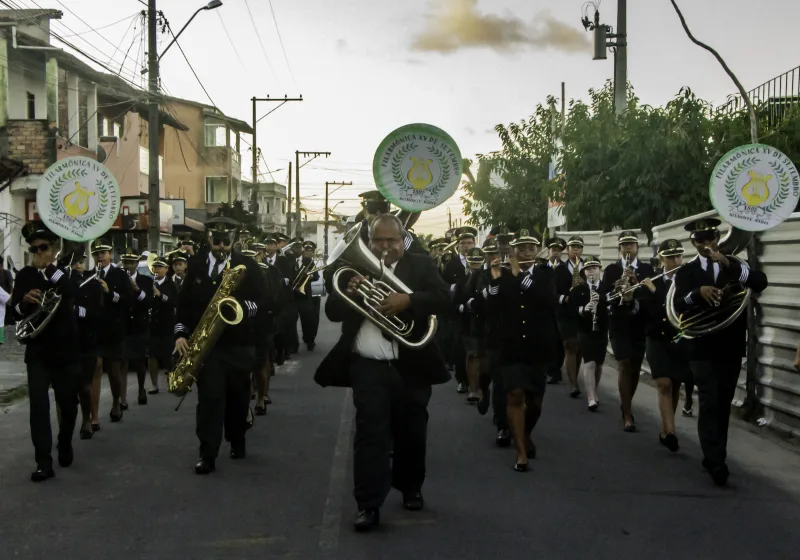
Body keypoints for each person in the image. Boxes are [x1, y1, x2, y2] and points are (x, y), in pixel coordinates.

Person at [315, 213, 450, 532]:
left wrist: (409, 300)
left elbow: (445, 299)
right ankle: (368, 504)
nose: (386, 246)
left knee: (412, 431)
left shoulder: (421, 265)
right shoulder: (354, 268)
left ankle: (410, 486)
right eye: (379, 240)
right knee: (370, 436)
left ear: (403, 240)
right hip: (368, 365)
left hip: (412, 363)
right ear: (369, 241)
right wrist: (351, 292)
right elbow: (333, 313)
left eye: (392, 240)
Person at [673, 218, 768, 486]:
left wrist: (734, 269)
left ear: (717, 238)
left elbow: (761, 282)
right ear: (693, 243)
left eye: (711, 239)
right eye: (701, 241)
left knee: (723, 403)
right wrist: (697, 293)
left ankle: (715, 454)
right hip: (701, 346)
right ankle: (716, 462)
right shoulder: (687, 272)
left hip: (730, 345)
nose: (707, 244)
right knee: (710, 401)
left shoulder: (735, 265)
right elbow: (678, 305)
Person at [174, 217, 267, 474]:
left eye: (227, 241)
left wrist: (242, 309)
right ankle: (207, 453)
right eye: (217, 240)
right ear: (209, 239)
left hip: (239, 343)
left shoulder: (247, 265)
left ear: (234, 240)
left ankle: (237, 438)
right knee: (210, 399)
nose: (222, 246)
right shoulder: (195, 266)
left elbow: (263, 300)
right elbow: (183, 305)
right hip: (208, 347)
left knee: (237, 399)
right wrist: (181, 334)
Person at [9, 221, 80, 482]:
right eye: (34, 249)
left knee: (68, 404)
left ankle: (65, 441)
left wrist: (50, 270)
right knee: (38, 406)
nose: (37, 253)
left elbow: (73, 293)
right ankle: (43, 461)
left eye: (43, 248)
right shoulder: (25, 276)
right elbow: (11, 312)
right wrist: (23, 303)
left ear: (53, 249)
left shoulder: (65, 272)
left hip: (65, 349)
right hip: (38, 351)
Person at [487, 228, 560, 471]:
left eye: (531, 247)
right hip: (511, 344)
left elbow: (549, 301)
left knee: (535, 402)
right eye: (521, 248)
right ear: (514, 251)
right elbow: (492, 302)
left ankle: (525, 433)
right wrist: (496, 277)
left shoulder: (545, 274)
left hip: (538, 346)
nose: (526, 251)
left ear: (537, 250)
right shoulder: (502, 271)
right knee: (515, 394)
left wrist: (521, 276)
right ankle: (520, 451)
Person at [637, 239, 691, 452]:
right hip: (657, 338)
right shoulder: (652, 281)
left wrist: (655, 293)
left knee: (675, 383)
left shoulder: (687, 280)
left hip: (678, 337)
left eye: (678, 256)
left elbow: (678, 306)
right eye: (670, 257)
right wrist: (642, 292)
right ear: (661, 260)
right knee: (664, 384)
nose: (675, 260)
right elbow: (651, 313)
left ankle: (665, 430)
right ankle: (671, 431)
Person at [602, 230, 656, 432]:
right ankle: (627, 413)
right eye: (624, 245)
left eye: (631, 244)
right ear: (619, 248)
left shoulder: (646, 269)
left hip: (639, 323)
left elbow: (651, 297)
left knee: (634, 368)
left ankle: (626, 403)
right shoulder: (612, 270)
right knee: (624, 364)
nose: (627, 248)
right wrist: (617, 290)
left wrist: (636, 286)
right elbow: (605, 296)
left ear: (637, 248)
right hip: (619, 324)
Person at [90, 238, 131, 426]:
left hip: (114, 329)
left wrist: (109, 293)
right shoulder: (90, 275)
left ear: (110, 254)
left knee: (114, 372)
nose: (100, 257)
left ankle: (116, 401)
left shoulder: (120, 275)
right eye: (96, 254)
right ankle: (94, 416)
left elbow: (127, 300)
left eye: (103, 253)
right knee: (96, 368)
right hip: (95, 330)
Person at [570, 256, 609, 411]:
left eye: (594, 268)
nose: (591, 271)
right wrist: (583, 309)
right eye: (588, 269)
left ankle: (594, 390)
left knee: (598, 364)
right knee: (589, 362)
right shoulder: (578, 289)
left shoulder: (607, 288)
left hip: (602, 328)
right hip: (585, 329)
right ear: (584, 272)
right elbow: (571, 310)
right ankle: (591, 397)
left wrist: (602, 301)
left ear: (599, 269)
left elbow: (612, 307)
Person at [441, 226, 477, 395]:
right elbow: (443, 284)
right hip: (457, 310)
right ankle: (462, 381)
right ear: (458, 245)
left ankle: (477, 383)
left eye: (469, 243)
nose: (467, 246)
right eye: (463, 243)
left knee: (477, 348)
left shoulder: (480, 260)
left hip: (476, 311)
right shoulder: (451, 264)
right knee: (459, 348)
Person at [72, 251, 103, 439]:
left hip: (86, 340)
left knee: (84, 385)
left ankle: (87, 419)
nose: (77, 265)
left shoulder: (91, 284)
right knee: (65, 391)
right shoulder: (60, 283)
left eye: (80, 262)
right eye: (73, 262)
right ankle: (64, 432)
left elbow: (95, 312)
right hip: (65, 342)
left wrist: (74, 310)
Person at [119, 248, 154, 407]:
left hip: (140, 326)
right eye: (126, 262)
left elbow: (149, 303)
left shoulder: (146, 280)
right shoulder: (118, 279)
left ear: (136, 263)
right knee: (123, 362)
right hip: (123, 326)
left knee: (140, 362)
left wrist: (137, 290)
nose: (128, 265)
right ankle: (123, 398)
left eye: (132, 262)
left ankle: (141, 389)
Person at [148, 255, 177, 394]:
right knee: (151, 355)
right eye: (155, 267)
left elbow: (174, 302)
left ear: (166, 269)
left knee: (169, 355)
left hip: (167, 324)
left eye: (160, 267)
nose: (156, 269)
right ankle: (154, 384)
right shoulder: (149, 283)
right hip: (153, 324)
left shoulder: (171, 284)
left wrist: (160, 296)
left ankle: (173, 381)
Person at [296, 241, 321, 351]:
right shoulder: (299, 261)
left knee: (310, 319)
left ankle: (310, 339)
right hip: (298, 294)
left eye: (310, 251)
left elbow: (316, 277)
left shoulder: (313, 262)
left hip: (312, 293)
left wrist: (309, 277)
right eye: (306, 250)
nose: (307, 253)